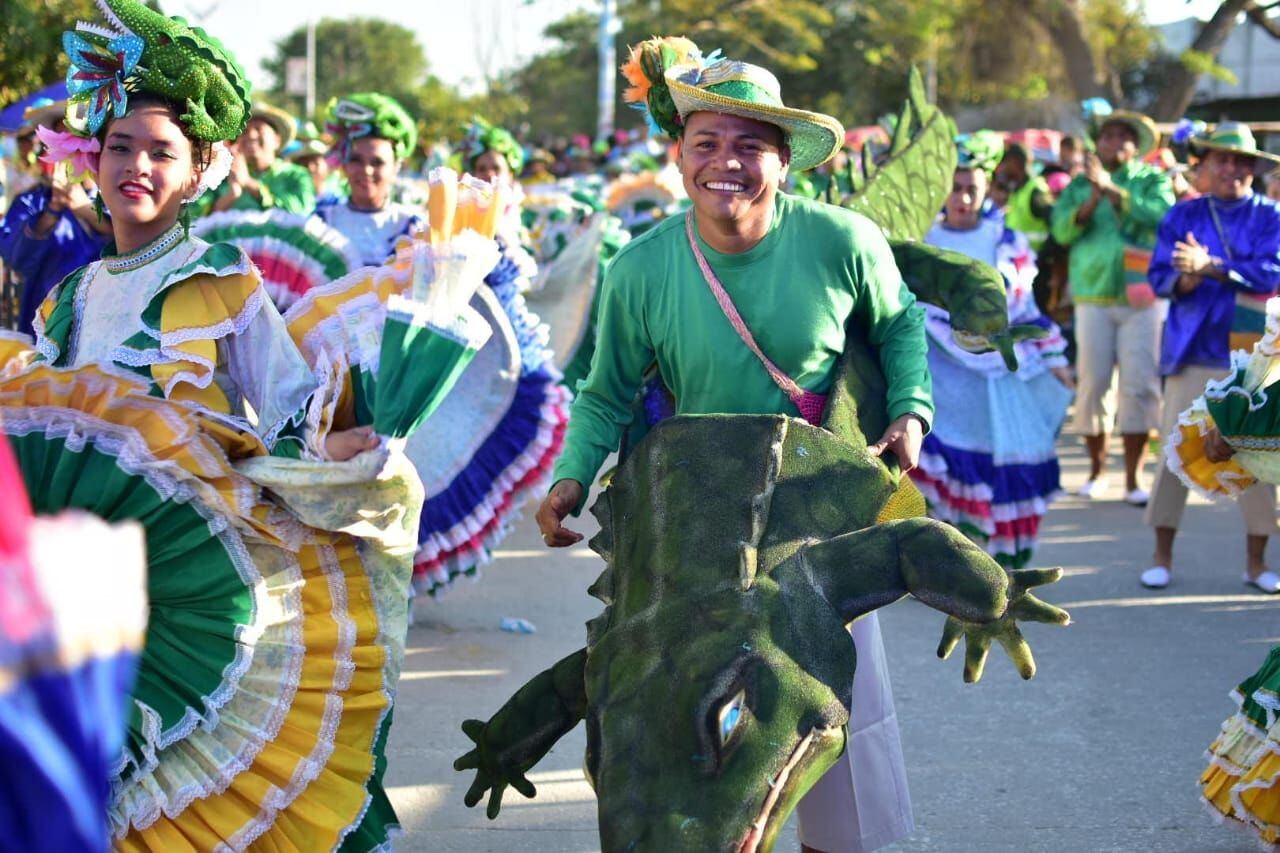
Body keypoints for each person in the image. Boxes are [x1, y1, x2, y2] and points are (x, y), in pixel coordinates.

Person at [17, 6, 426, 847]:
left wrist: (336, 453)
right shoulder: (66, 302)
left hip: (195, 586)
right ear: (91, 154)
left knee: (187, 797)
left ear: (200, 171)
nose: (136, 165)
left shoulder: (224, 279)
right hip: (83, 586)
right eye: (120, 145)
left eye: (162, 151)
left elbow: (285, 415)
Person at [538, 36, 931, 853]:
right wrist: (572, 476)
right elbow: (607, 389)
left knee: (840, 712)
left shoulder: (842, 241)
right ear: (679, 155)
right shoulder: (640, 269)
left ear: (785, 162)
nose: (727, 163)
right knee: (704, 735)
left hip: (825, 522)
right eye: (706, 142)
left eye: (750, 145)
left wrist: (911, 409)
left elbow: (901, 324)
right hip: (698, 533)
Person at [912, 158, 1072, 570]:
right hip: (939, 372)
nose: (964, 198)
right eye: (956, 187)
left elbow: (1026, 306)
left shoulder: (1005, 240)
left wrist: (1053, 356)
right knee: (938, 467)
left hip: (996, 372)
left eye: (973, 189)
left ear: (987, 192)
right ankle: (937, 560)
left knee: (993, 467)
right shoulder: (919, 240)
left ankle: (983, 564)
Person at [1140, 122, 1280, 592]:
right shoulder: (1181, 216)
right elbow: (1159, 275)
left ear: (1255, 169)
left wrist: (1212, 267)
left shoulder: (1270, 215)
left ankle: (1257, 565)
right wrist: (1186, 279)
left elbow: (1269, 273)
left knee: (1258, 455)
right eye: (1222, 159)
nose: (1232, 169)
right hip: (1192, 346)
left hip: (1253, 353)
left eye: (1241, 161)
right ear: (1205, 164)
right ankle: (1161, 557)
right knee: (1174, 451)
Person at [1051, 108, 1174, 504]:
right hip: (1092, 296)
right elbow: (1061, 229)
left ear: (1135, 146)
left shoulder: (1151, 179)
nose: (1115, 143)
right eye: (1108, 135)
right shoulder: (1078, 184)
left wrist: (1114, 192)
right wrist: (1089, 199)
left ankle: (1135, 480)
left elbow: (1162, 217)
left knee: (1140, 387)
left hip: (1142, 298)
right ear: (1097, 142)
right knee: (1093, 386)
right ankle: (1097, 472)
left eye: (1124, 137)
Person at [0, 101, 110, 336]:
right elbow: (15, 256)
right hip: (42, 325)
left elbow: (130, 247)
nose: (72, 150)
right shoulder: (31, 200)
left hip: (100, 324)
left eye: (80, 141)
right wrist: (52, 210)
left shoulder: (116, 198)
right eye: (63, 139)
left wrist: (82, 207)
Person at [315, 92, 425, 265]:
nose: (366, 170)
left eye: (377, 162)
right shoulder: (321, 222)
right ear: (344, 164)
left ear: (396, 167)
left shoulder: (413, 229)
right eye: (356, 160)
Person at [200, 102, 315, 215]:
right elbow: (195, 219)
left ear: (277, 140)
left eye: (259, 129)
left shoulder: (296, 175)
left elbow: (303, 212)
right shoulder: (221, 177)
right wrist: (232, 194)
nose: (251, 135)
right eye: (244, 131)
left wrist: (249, 184)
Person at [996, 142, 1054, 250]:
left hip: (1034, 262)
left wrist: (1045, 258)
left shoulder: (1036, 191)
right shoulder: (1018, 189)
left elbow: (1055, 224)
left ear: (1015, 162)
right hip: (1018, 262)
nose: (1002, 167)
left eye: (1005, 162)